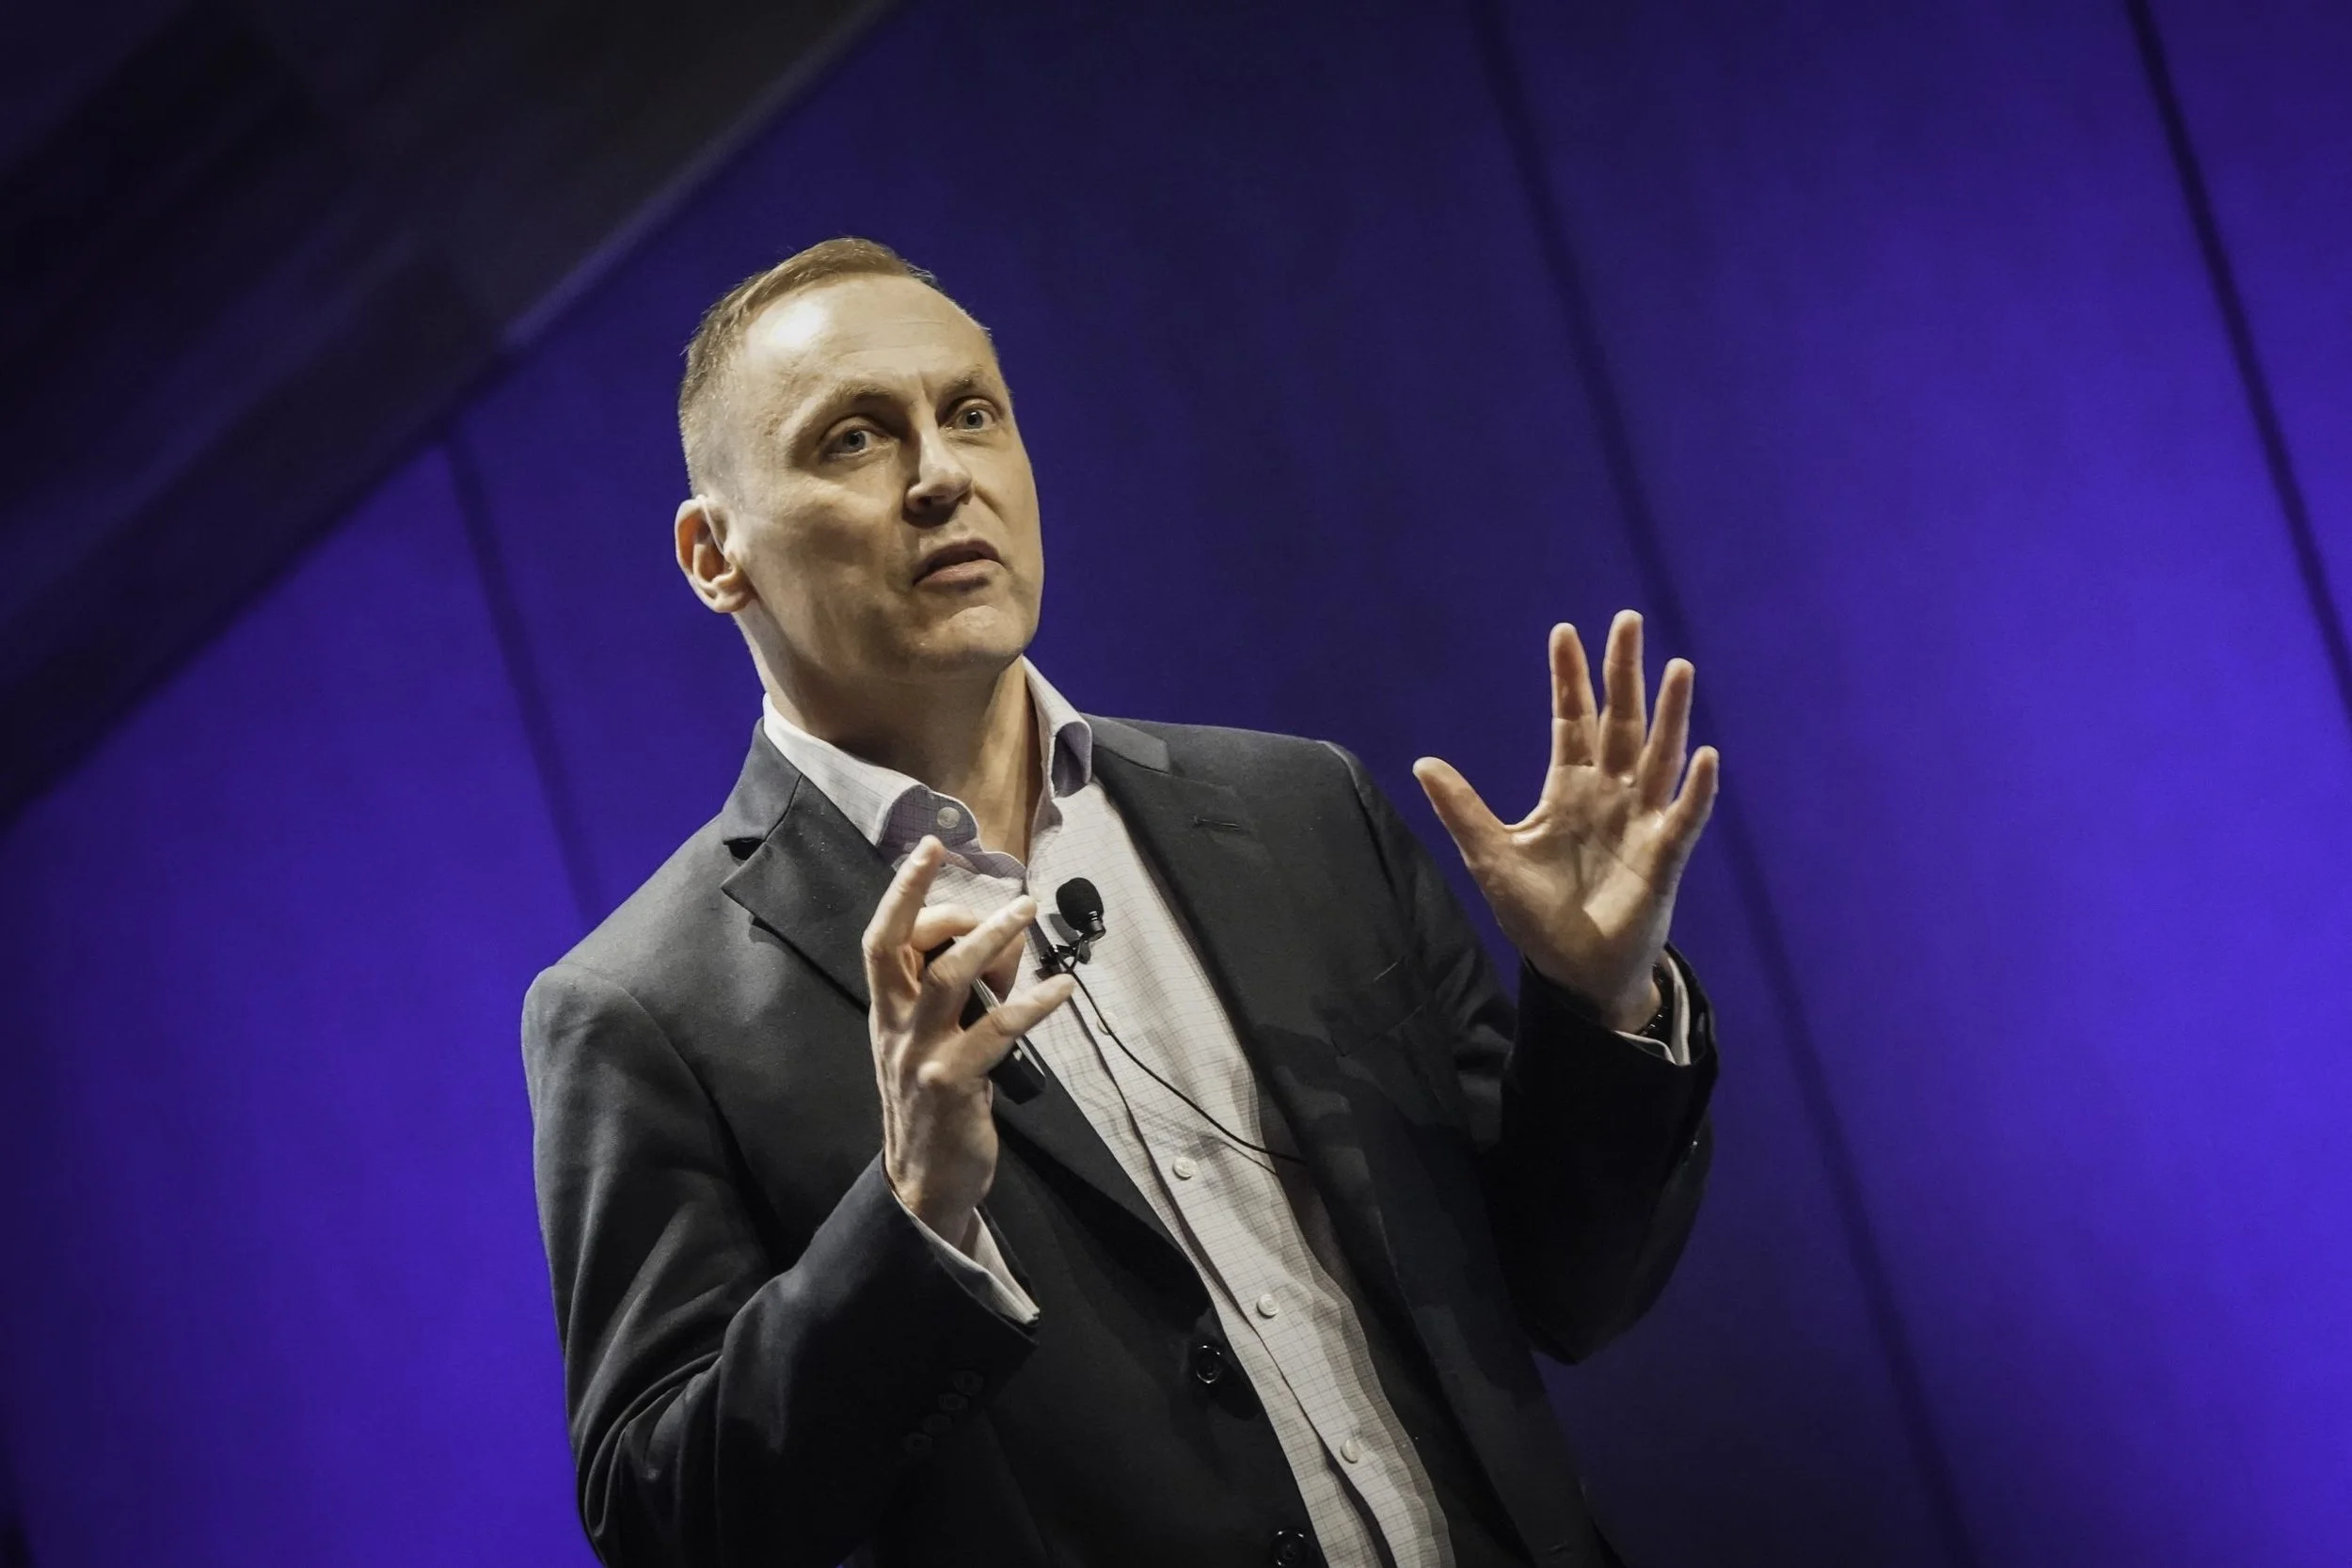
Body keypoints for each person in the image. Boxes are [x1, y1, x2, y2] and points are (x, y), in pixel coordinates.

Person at [521, 237, 1722, 1568]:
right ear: (713, 553)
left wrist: (1600, 1006)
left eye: (971, 413)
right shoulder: (644, 1010)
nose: (940, 477)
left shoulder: (1294, 813)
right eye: (855, 439)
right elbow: (671, 1519)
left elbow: (1565, 1290)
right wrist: (913, 1217)